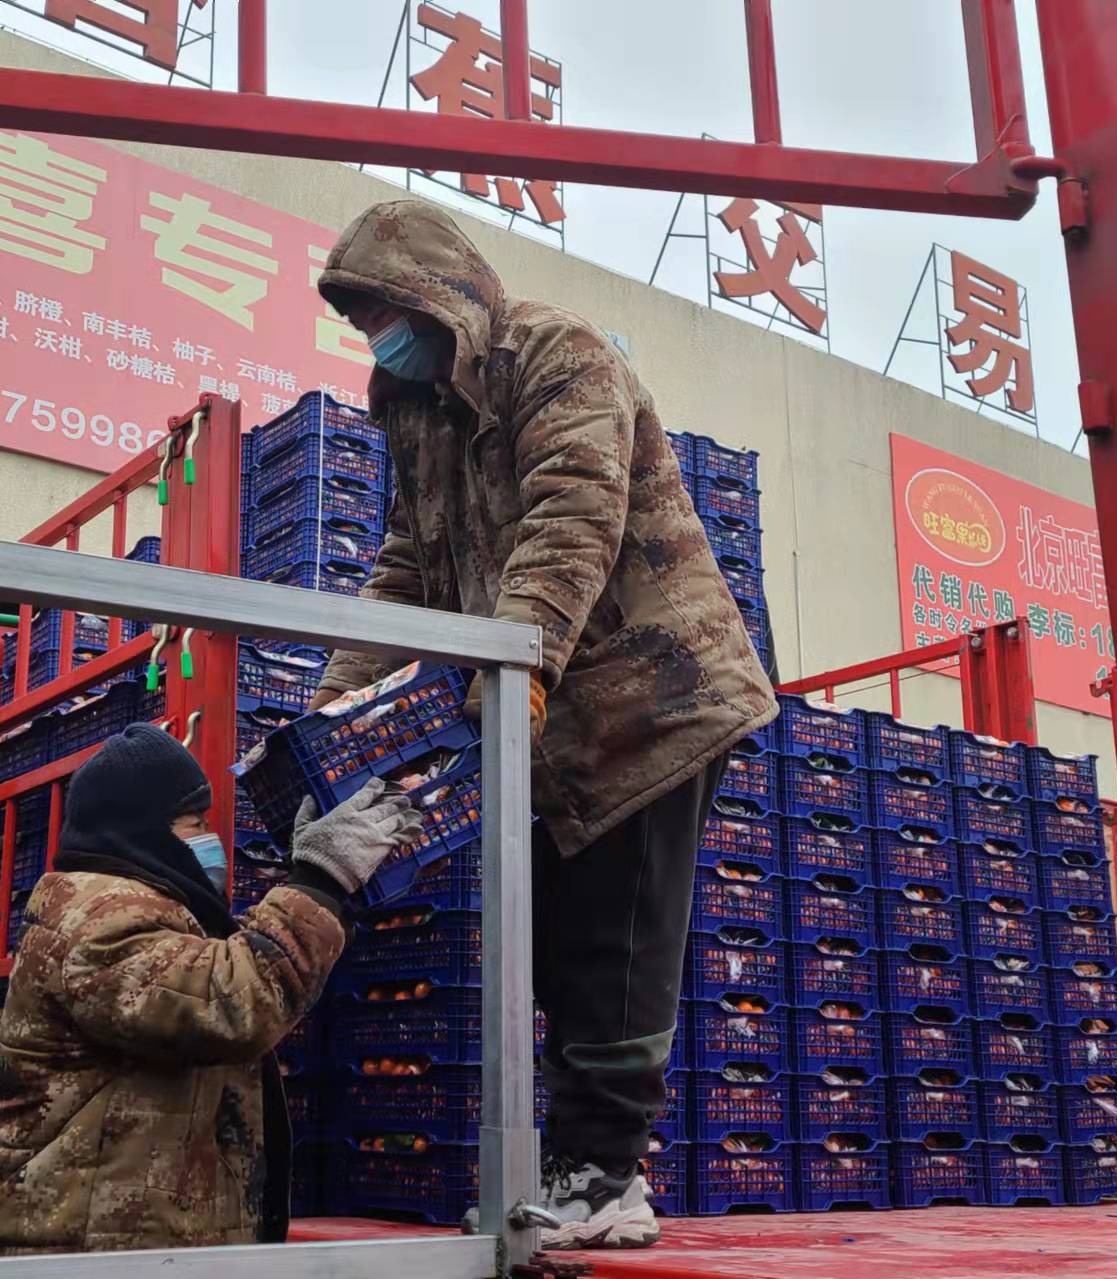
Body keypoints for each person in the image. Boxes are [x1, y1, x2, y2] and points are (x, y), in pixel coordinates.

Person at [310, 199, 778, 1249]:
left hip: (651, 693)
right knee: (555, 939)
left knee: (613, 936)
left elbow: (574, 514)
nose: (377, 334)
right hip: (548, 708)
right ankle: (577, 1165)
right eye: (362, 319)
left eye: (385, 310)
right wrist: (337, 704)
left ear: (440, 290)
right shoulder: (417, 409)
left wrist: (518, 662)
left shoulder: (555, 354)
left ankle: (606, 1176)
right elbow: (406, 569)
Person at [0, 723, 421, 1256]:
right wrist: (319, 881)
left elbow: (223, 971)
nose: (209, 837)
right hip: (73, 1255)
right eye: (194, 822)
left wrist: (323, 893)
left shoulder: (148, 912)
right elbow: (230, 1003)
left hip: (118, 1247)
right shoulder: (98, 918)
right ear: (141, 829)